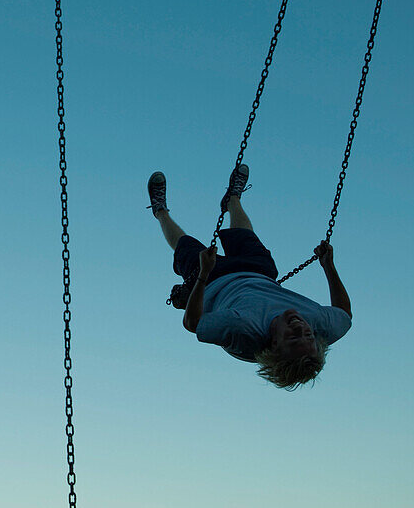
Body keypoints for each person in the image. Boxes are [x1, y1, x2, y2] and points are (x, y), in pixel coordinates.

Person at [147, 165, 352, 389]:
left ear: (274, 343)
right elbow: (344, 314)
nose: (300, 328)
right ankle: (233, 199)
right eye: (308, 336)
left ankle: (160, 211)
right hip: (259, 273)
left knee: (186, 247)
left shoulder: (242, 329)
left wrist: (204, 274)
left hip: (215, 282)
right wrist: (328, 267)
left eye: (293, 337)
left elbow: (192, 323)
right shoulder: (318, 327)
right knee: (245, 236)